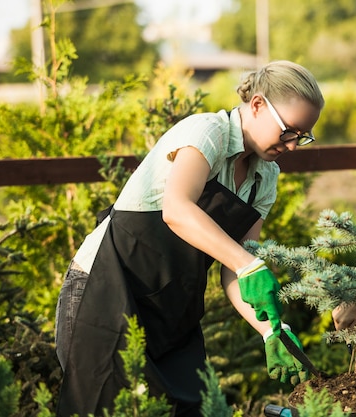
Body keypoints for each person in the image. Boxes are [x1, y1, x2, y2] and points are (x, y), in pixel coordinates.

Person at [54, 60, 325, 417]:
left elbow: (236, 270)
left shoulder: (265, 178)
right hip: (104, 291)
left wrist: (270, 329)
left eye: (301, 137)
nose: (292, 146)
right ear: (258, 105)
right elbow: (177, 209)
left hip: (173, 312)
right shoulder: (207, 132)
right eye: (289, 131)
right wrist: (248, 264)